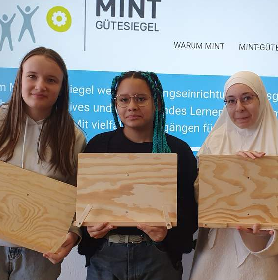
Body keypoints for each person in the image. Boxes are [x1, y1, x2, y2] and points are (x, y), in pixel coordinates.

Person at [0, 47, 87, 280]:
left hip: (40, 254)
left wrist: (73, 233)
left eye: (51, 80)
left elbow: (79, 196)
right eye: (32, 76)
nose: (40, 85)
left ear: (62, 88)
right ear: (20, 79)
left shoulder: (73, 137)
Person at [78, 71, 198, 280]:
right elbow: (81, 205)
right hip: (105, 256)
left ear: (157, 102)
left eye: (141, 99)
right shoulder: (98, 146)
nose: (132, 106)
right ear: (116, 104)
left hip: (159, 258)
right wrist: (89, 230)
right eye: (124, 100)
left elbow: (191, 213)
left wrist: (167, 235)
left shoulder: (178, 150)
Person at [189, 71, 278, 280]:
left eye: (247, 98)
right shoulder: (214, 143)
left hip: (260, 256)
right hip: (216, 254)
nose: (239, 107)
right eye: (231, 101)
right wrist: (230, 170)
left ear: (261, 99)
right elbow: (199, 195)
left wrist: (267, 229)